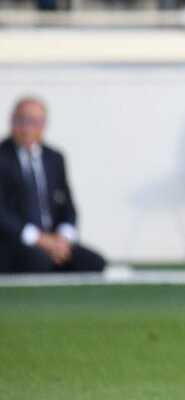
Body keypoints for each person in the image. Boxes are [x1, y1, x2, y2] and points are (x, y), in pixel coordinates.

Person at [0, 97, 106, 274]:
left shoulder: (54, 158)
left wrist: (62, 239)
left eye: (34, 122)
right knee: (38, 260)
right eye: (22, 120)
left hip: (53, 240)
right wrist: (39, 240)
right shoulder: (3, 157)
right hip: (15, 243)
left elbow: (67, 206)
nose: (27, 128)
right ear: (12, 121)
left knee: (93, 263)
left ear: (43, 125)